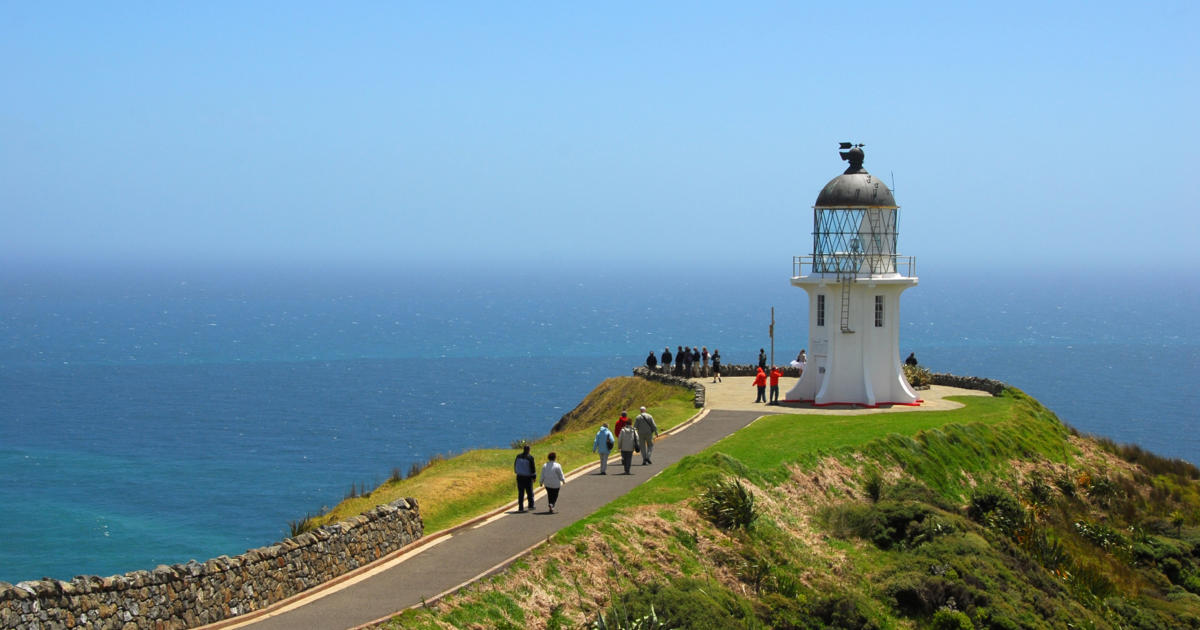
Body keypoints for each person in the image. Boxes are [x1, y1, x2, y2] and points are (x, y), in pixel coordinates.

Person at [513, 445, 536, 513]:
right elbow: (532, 468)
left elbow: (515, 465)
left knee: (521, 492)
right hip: (527, 477)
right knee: (529, 492)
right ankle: (531, 505)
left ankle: (520, 507)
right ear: (529, 450)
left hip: (519, 476)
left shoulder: (518, 456)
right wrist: (534, 477)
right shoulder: (530, 457)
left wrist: (516, 471)